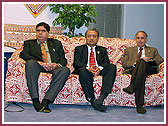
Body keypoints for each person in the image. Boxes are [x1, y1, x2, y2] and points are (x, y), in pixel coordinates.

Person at [20, 22, 70, 113]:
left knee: (65, 70)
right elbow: (23, 54)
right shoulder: (29, 43)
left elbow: (63, 59)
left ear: (48, 33)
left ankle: (46, 100)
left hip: (53, 67)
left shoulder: (56, 43)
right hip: (39, 66)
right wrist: (39, 62)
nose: (40, 33)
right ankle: (35, 100)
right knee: (30, 63)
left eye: (43, 31)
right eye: (38, 31)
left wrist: (56, 65)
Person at [72, 28, 116, 112]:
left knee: (112, 67)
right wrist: (88, 68)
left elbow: (106, 62)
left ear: (97, 38)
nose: (91, 38)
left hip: (99, 69)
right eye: (89, 36)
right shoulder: (79, 49)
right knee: (82, 70)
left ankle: (102, 97)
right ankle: (92, 100)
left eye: (94, 36)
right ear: (86, 38)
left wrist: (99, 68)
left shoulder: (102, 49)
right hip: (86, 70)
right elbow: (76, 63)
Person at [122, 31, 164, 114]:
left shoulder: (153, 50)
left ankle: (133, 85)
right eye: (138, 38)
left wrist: (150, 60)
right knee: (140, 66)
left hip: (148, 69)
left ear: (146, 40)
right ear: (135, 39)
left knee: (142, 63)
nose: (140, 40)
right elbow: (125, 63)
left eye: (142, 38)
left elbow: (160, 60)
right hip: (134, 70)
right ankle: (139, 105)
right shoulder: (129, 50)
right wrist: (138, 61)